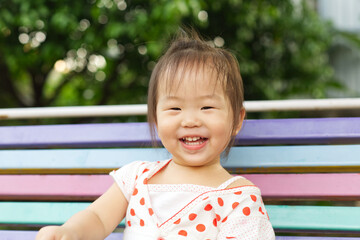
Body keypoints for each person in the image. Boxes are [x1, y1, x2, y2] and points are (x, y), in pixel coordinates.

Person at [36, 29, 275, 240]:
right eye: (175, 108)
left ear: (237, 120)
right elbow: (97, 217)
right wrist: (70, 233)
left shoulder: (239, 199)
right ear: (155, 118)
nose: (190, 120)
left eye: (207, 107)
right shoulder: (137, 177)